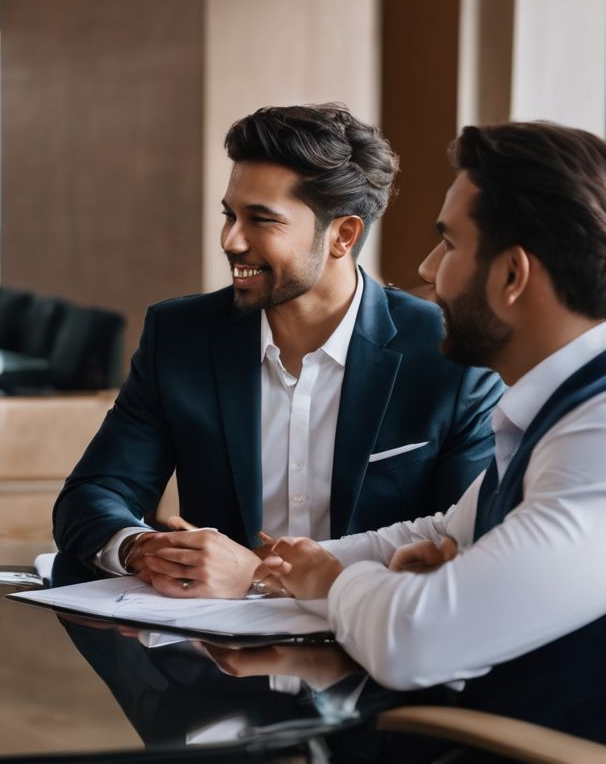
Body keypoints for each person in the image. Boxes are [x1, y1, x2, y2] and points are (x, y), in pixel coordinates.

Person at [258, 121, 606, 749]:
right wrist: (287, 563)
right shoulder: (573, 407)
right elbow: (441, 533)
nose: (428, 269)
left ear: (513, 276)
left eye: (449, 244)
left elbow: (412, 641)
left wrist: (328, 582)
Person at [53, 104, 502, 597]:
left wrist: (273, 578)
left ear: (343, 235)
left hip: (371, 641)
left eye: (261, 221)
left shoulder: (448, 355)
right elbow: (93, 495)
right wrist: (142, 548)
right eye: (230, 215)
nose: (231, 240)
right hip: (210, 647)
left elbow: (466, 546)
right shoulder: (181, 336)